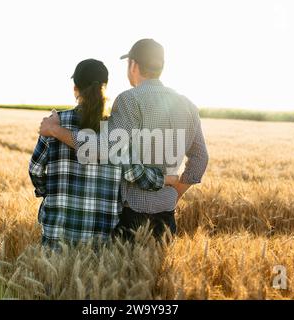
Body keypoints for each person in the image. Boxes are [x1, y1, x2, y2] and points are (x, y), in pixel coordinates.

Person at [39, 39, 208, 241]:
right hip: (167, 216)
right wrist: (175, 193)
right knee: (156, 273)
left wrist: (55, 130)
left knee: (127, 273)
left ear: (134, 65)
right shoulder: (188, 105)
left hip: (132, 217)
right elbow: (200, 158)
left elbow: (103, 148)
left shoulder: (129, 100)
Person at [29, 59, 173, 250]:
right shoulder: (116, 129)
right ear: (104, 88)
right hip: (99, 245)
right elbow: (133, 174)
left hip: (56, 236)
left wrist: (50, 193)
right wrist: (162, 179)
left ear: (75, 89)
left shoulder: (54, 124)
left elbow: (36, 169)